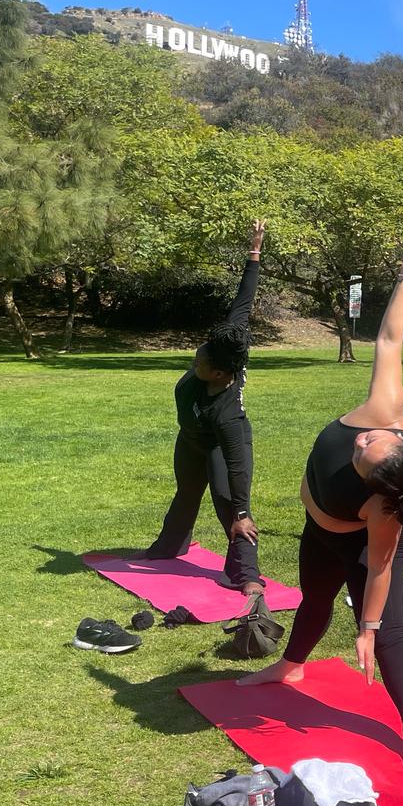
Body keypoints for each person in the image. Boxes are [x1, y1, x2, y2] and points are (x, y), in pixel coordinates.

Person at [239, 229, 403, 772]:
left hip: (358, 548)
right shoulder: (386, 408)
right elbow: (390, 341)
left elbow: (379, 568)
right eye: (368, 444)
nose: (359, 443)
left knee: (390, 632)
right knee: (313, 601)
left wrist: (369, 626)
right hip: (319, 533)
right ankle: (290, 666)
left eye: (362, 461)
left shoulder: (383, 510)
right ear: (396, 437)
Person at [141, 220, 267, 600]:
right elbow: (242, 304)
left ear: (217, 373)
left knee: (229, 505)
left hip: (215, 443)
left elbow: (237, 465)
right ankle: (169, 548)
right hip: (190, 438)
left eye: (198, 362)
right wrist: (254, 253)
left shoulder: (227, 413)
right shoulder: (225, 345)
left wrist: (244, 511)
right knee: (186, 493)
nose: (193, 361)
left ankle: (248, 575)